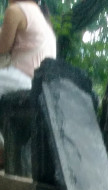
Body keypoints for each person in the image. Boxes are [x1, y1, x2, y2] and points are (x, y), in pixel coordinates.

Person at [0, 0, 55, 165]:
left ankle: (1, 147)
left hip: (22, 78)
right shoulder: (42, 18)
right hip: (40, 85)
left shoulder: (16, 11)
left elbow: (2, 48)